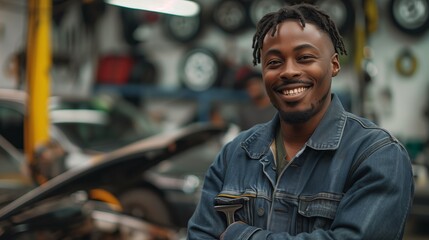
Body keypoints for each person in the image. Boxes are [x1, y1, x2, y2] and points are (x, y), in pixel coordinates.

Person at [187, 3, 414, 240]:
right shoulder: (235, 154)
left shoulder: (377, 155)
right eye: (274, 62)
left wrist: (241, 235)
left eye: (305, 57)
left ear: (334, 64)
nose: (288, 71)